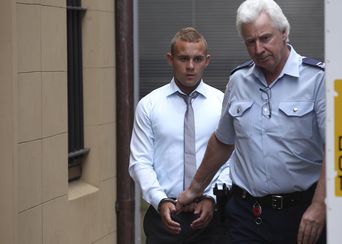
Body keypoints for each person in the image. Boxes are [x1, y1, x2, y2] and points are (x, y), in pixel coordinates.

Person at [176, 1, 326, 244]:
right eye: (250, 42)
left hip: (299, 215)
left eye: (265, 38)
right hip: (246, 215)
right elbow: (223, 142)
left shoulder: (317, 79)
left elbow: (334, 149)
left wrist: (320, 206)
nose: (258, 49)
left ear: (284, 32)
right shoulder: (238, 81)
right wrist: (194, 190)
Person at [129, 27, 231, 244]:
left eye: (197, 59)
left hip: (211, 219)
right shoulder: (149, 106)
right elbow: (140, 162)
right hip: (164, 217)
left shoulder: (221, 103)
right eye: (183, 58)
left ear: (207, 60)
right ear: (170, 59)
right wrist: (160, 201)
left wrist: (212, 198)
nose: (190, 66)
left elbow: (232, 160)